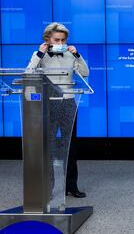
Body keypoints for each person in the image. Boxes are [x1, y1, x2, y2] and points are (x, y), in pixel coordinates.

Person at [27, 22, 89, 198]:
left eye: (63, 39)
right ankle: (49, 187)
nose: (60, 42)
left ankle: (71, 186)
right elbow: (29, 73)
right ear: (47, 39)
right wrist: (40, 54)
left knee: (70, 147)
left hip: (68, 104)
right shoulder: (39, 55)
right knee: (50, 147)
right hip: (49, 105)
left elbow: (85, 73)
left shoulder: (70, 56)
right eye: (56, 39)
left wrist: (77, 55)